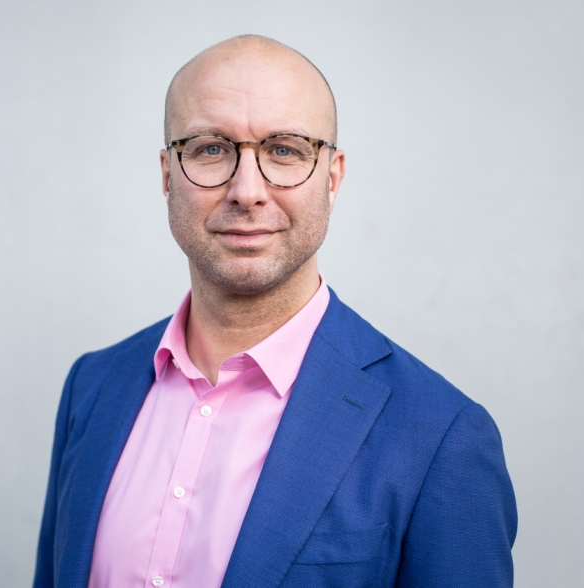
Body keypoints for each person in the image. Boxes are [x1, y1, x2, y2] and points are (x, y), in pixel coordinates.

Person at [33, 35, 517, 588]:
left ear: (332, 179)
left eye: (284, 151)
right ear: (167, 174)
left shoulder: (441, 437)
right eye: (210, 149)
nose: (247, 191)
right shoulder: (93, 387)